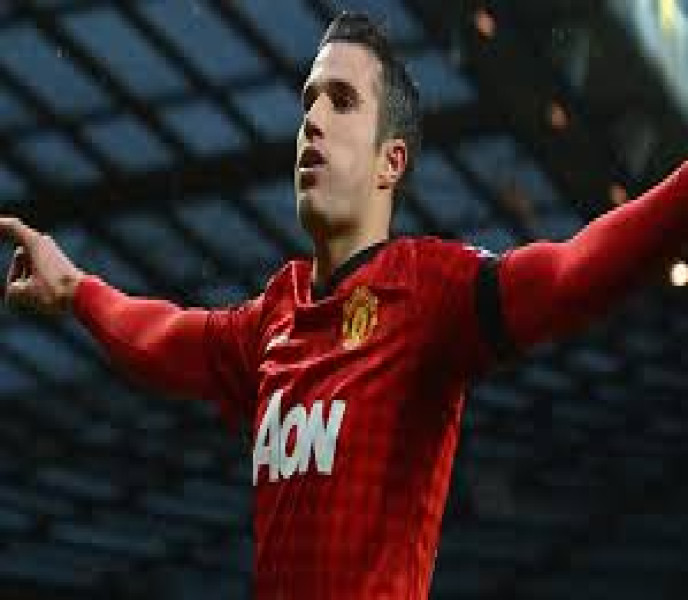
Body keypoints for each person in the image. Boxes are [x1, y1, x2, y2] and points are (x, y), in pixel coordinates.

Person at [0, 11, 686, 599]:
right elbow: (166, 336)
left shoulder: (429, 292)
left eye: (341, 102)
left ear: (392, 162)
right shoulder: (275, 316)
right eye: (308, 102)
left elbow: (571, 271)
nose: (312, 122)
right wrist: (78, 290)